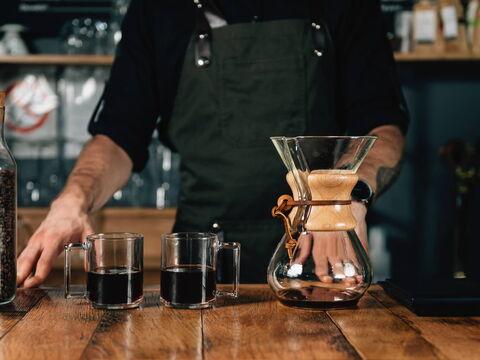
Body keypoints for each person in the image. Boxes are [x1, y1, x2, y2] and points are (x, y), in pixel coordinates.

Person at [17, 0, 408, 287]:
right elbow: (118, 136)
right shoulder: (158, 10)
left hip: (320, 260)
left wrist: (346, 197)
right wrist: (72, 200)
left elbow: (384, 129)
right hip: (200, 267)